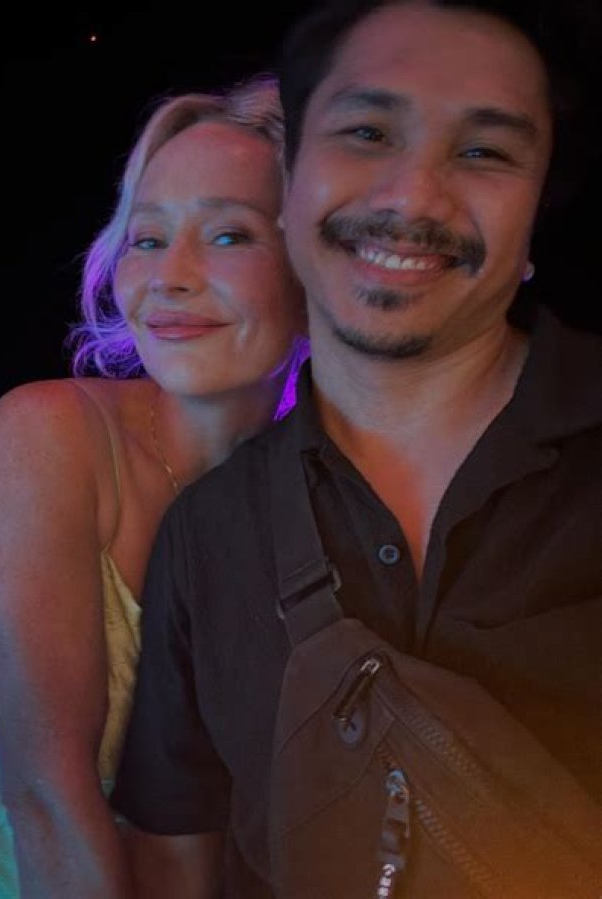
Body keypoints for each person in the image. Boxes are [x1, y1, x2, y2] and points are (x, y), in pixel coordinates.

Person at [113, 0, 602, 896]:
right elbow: (175, 856)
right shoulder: (206, 535)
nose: (412, 197)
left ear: (534, 214)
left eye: (485, 151)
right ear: (291, 187)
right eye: (368, 133)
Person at [0, 73, 306, 898]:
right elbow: (48, 798)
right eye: (147, 238)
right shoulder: (53, 432)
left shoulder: (330, 495)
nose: (169, 276)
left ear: (316, 265)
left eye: (229, 234)